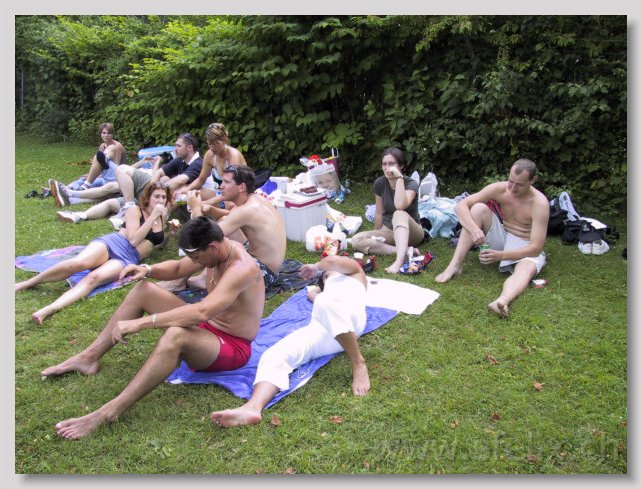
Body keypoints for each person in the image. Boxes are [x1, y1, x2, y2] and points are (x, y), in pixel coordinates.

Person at [43, 216, 265, 440]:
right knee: (144, 290)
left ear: (213, 247)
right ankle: (88, 358)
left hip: (232, 346)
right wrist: (146, 269)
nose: (194, 262)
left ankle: (110, 411)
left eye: (196, 257)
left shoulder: (241, 268)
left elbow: (202, 311)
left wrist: (142, 323)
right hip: (207, 328)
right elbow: (178, 267)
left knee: (176, 335)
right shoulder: (214, 252)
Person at [211, 255, 370, 428]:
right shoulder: (323, 294)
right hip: (323, 327)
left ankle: (358, 363)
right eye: (326, 276)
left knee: (325, 302)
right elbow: (313, 294)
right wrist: (319, 285)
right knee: (275, 354)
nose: (329, 274)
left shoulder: (355, 274)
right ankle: (252, 408)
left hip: (351, 320)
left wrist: (316, 267)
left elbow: (332, 261)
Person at [16, 182, 175, 324]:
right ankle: (28, 283)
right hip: (115, 243)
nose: (160, 200)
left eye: (164, 197)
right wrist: (152, 217)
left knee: (94, 279)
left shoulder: (162, 217)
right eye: (157, 196)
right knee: (78, 264)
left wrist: (170, 234)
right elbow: (133, 240)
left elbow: (155, 244)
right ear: (148, 197)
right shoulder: (136, 210)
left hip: (130, 257)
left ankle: (48, 309)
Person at [434, 158, 549, 318]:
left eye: (519, 184)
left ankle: (502, 301)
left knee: (526, 269)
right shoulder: (500, 189)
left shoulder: (539, 203)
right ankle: (455, 265)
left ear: (532, 180)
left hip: (525, 245)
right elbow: (461, 206)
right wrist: (474, 230)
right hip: (503, 235)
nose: (512, 188)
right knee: (478, 209)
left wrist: (500, 255)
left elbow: (536, 247)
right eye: (511, 181)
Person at [56, 133, 202, 225]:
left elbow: (180, 181)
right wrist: (153, 186)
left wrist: (155, 190)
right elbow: (159, 173)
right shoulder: (180, 160)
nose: (175, 149)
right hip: (155, 193)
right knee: (111, 200)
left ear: (189, 148)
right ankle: (79, 215)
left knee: (121, 170)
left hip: (162, 197)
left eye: (178, 146)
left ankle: (74, 194)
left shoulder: (197, 163)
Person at [185, 165, 286, 289]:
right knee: (223, 221)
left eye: (226, 182)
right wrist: (211, 210)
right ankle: (199, 278)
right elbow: (230, 217)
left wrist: (195, 208)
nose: (221, 186)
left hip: (264, 275)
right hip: (268, 264)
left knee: (215, 246)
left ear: (241, 187)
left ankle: (192, 279)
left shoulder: (246, 210)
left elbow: (203, 238)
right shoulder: (254, 200)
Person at [350, 148, 424, 274]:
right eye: (384, 164)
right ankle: (406, 251)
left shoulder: (410, 183)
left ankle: (399, 260)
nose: (387, 168)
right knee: (356, 239)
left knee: (398, 213)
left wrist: (399, 178)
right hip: (389, 230)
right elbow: (379, 212)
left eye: (392, 164)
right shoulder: (380, 183)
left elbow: (400, 205)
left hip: (412, 232)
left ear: (401, 166)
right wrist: (376, 235)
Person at [49, 123, 126, 206]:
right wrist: (92, 174)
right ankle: (62, 190)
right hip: (105, 176)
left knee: (98, 158)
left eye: (109, 133)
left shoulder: (117, 146)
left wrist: (98, 175)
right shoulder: (102, 146)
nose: (106, 135)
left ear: (113, 134)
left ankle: (72, 190)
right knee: (83, 179)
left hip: (115, 176)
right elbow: (99, 166)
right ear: (100, 134)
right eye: (104, 133)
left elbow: (117, 167)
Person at [180, 122, 247, 204]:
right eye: (209, 144)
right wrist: (186, 190)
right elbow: (201, 180)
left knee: (226, 205)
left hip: (237, 195)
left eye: (215, 144)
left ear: (225, 140)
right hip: (221, 194)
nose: (212, 148)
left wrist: (207, 203)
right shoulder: (210, 155)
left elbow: (233, 189)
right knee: (189, 194)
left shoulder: (233, 156)